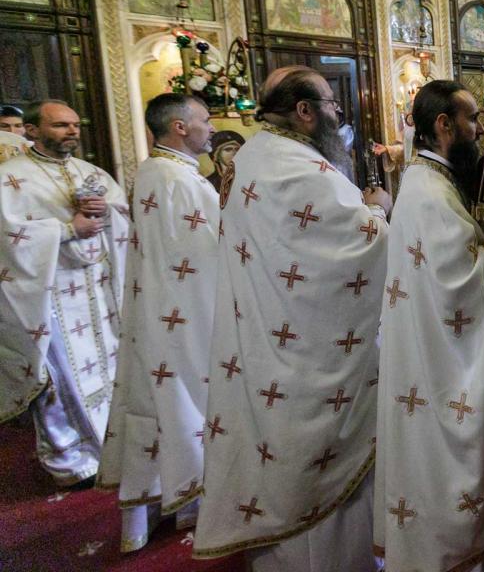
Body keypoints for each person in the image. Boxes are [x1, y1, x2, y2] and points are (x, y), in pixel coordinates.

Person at [193, 67, 392, 570]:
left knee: (274, 443)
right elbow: (356, 246)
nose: (338, 115)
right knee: (314, 456)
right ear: (304, 112)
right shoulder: (300, 169)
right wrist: (380, 211)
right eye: (330, 105)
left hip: (268, 333)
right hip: (308, 346)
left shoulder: (254, 155)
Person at [375, 81, 484, 569]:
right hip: (447, 360)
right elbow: (467, 286)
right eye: (472, 119)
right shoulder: (429, 194)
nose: (480, 129)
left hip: (433, 351)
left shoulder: (430, 178)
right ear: (443, 125)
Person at [99, 94, 218, 550]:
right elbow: (211, 247)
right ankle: (191, 498)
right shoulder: (180, 181)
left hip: (162, 307)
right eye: (204, 121)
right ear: (179, 127)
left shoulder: (154, 171)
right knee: (189, 397)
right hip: (187, 312)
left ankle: (167, 503)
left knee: (158, 399)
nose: (211, 128)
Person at [0, 100, 131, 486]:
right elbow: (7, 236)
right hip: (48, 292)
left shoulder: (91, 172)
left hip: (97, 290)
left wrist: (108, 214)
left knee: (108, 370)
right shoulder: (10, 177)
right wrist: (67, 228)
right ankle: (70, 460)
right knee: (58, 376)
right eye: (59, 125)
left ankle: (110, 444)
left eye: (74, 125)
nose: (71, 132)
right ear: (34, 130)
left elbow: (123, 216)